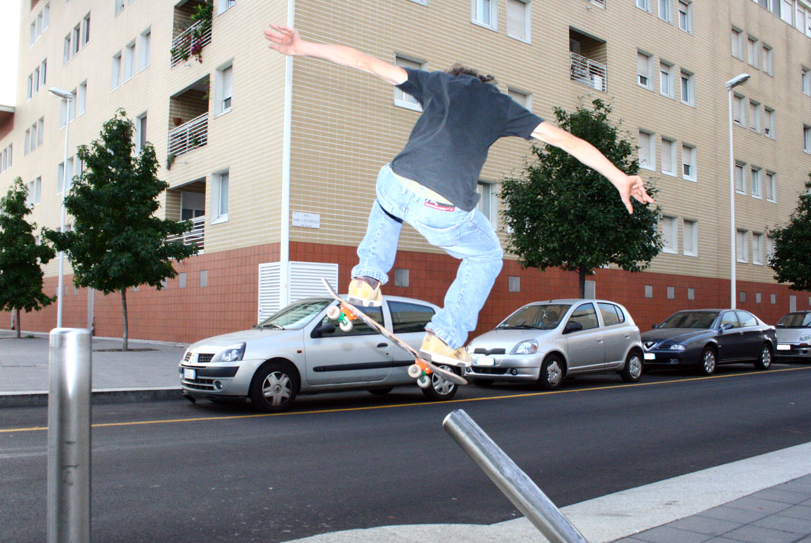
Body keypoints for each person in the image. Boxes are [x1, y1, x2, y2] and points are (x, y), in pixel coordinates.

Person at [265, 24, 654, 367]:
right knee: (486, 254)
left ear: (454, 78)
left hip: (396, 181)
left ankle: (366, 280)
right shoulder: (500, 105)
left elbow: (365, 61)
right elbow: (566, 141)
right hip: (443, 207)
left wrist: (303, 47)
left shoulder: (436, 82)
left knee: (388, 199)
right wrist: (619, 177)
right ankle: (445, 336)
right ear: (486, 86)